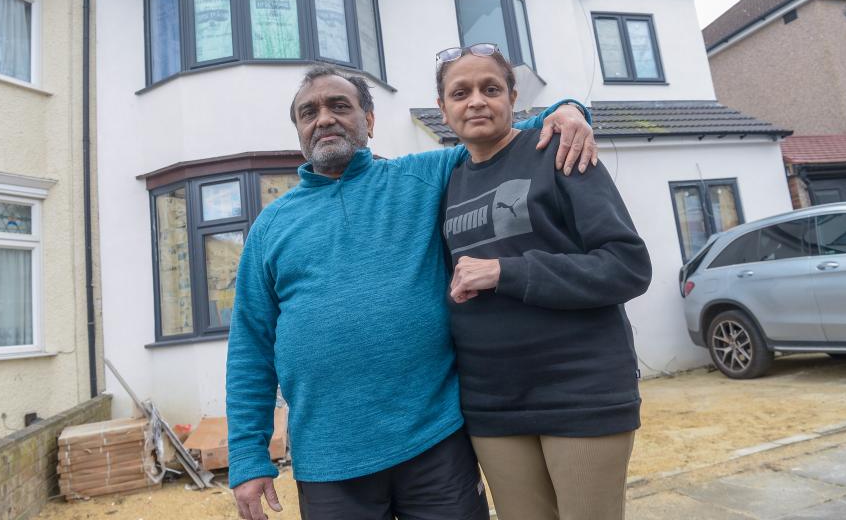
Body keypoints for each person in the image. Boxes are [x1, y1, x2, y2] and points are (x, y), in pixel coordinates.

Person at [226, 63, 597, 520]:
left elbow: (502, 135)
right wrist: (247, 457)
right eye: (308, 112)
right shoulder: (270, 226)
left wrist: (567, 109)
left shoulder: (425, 176)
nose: (323, 118)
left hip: (434, 442)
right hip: (329, 460)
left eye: (339, 106)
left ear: (370, 120)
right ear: (299, 130)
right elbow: (250, 346)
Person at [435, 43, 652, 520]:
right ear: (443, 108)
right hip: (492, 402)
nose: (476, 101)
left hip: (580, 389)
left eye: (491, 89)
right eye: (461, 92)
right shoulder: (445, 180)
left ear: (513, 98)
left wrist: (506, 272)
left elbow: (627, 265)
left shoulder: (557, 150)